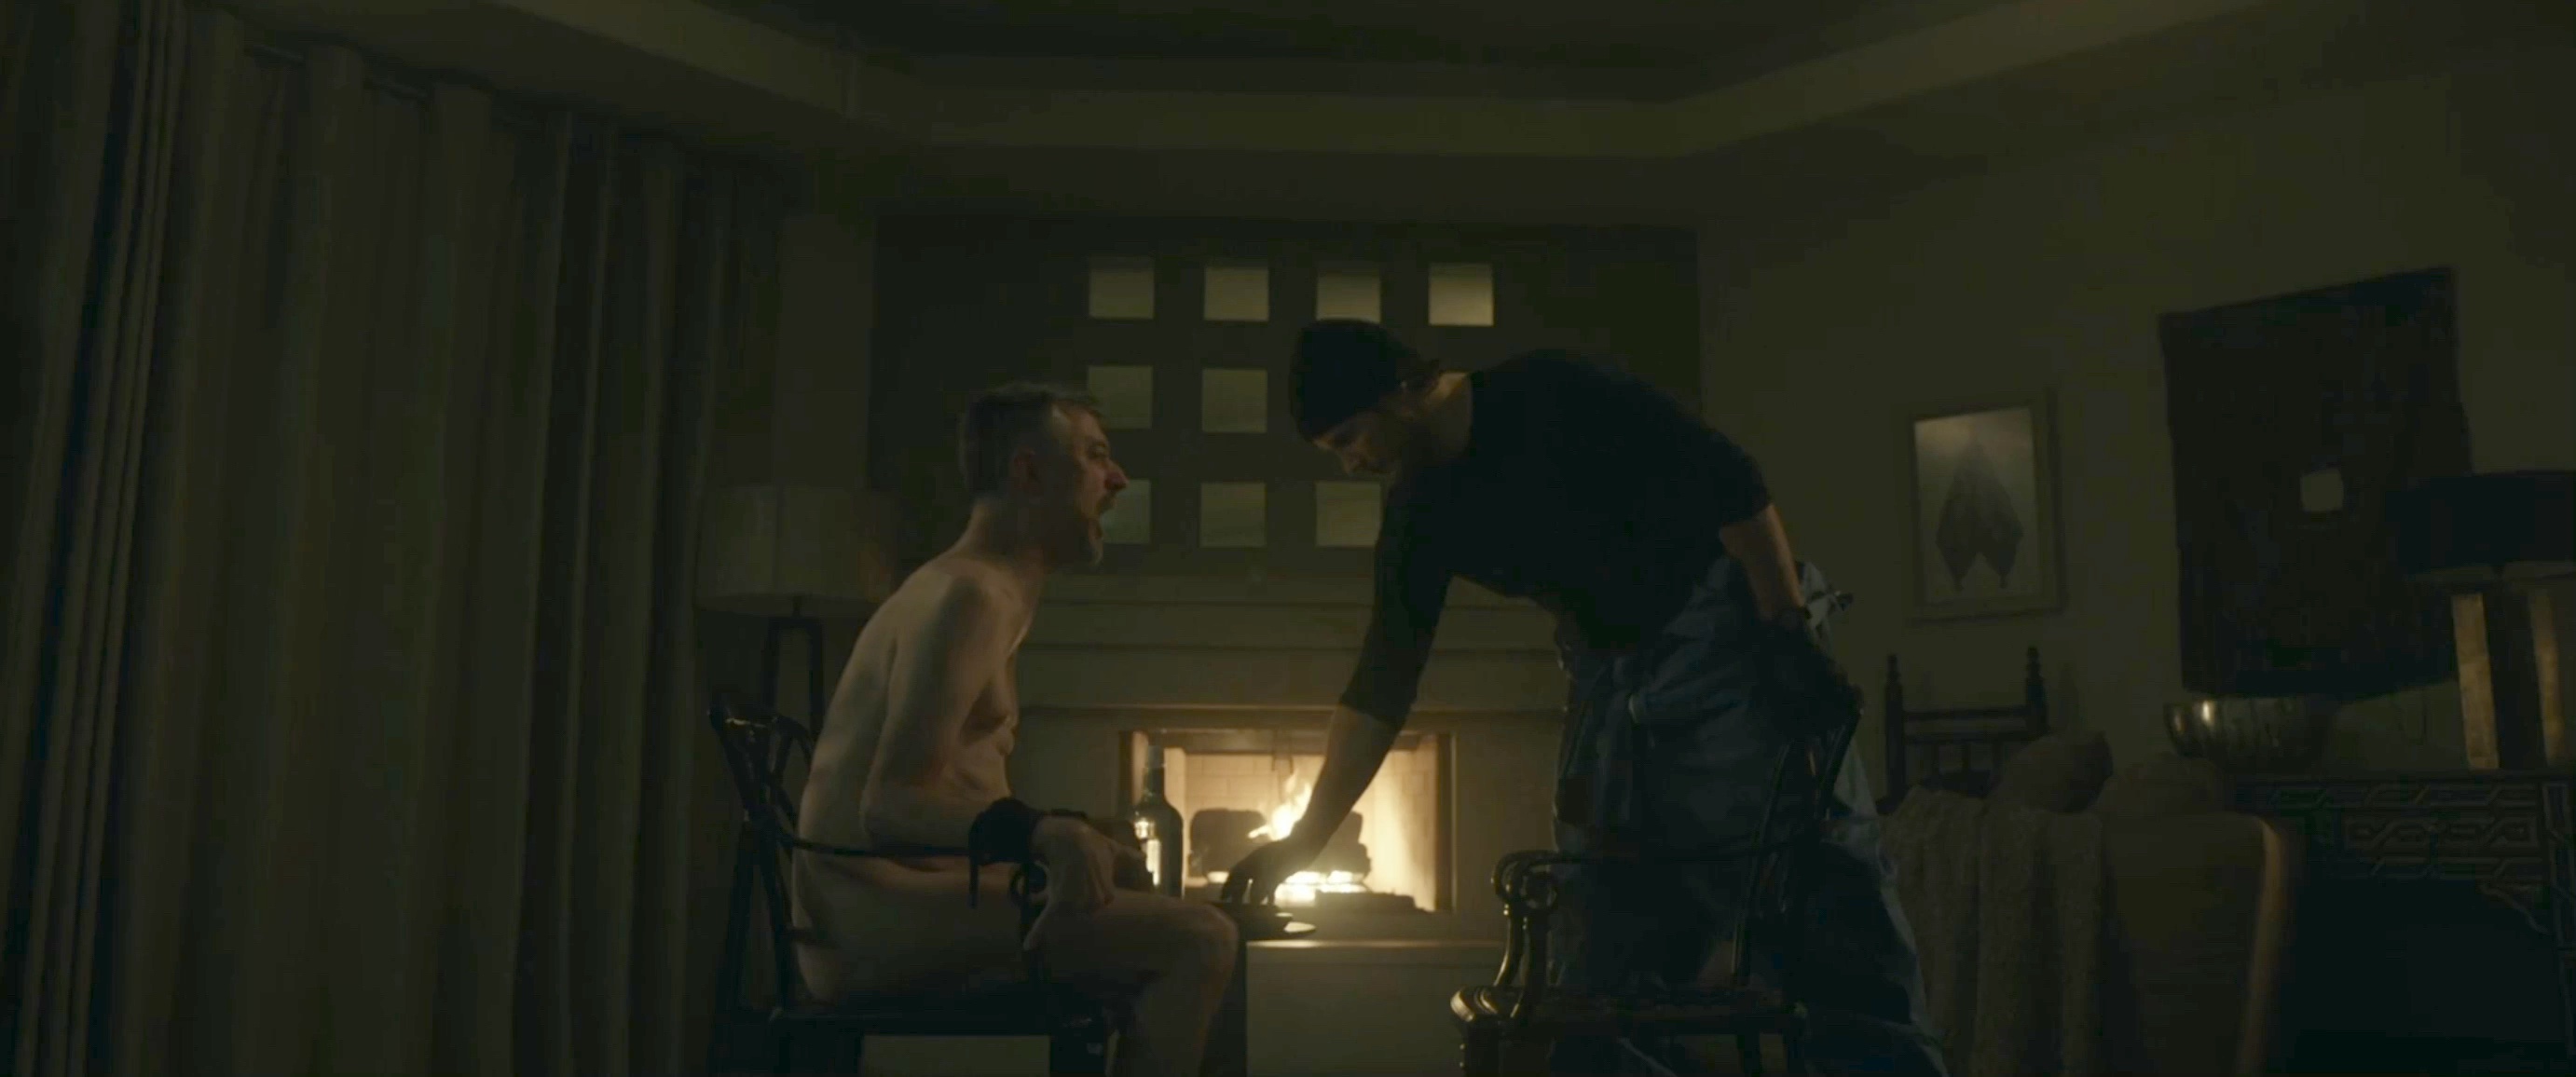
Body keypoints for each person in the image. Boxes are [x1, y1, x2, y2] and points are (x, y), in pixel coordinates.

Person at [1220, 321, 1948, 1076]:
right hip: (1611, 680)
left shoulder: (1554, 390)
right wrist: (1303, 840)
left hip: (1725, 632)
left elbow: (1733, 483)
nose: (1351, 464)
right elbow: (1383, 680)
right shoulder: (1420, 511)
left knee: (1822, 887)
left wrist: (1786, 632)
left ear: (1401, 392)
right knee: (1601, 919)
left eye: (1348, 439)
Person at [794, 382, 1240, 1077]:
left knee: (1165, 918)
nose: (1118, 479)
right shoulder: (969, 595)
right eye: (1095, 455)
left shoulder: (975, 589)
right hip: (868, 920)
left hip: (894, 904)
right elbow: (889, 805)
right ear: (1027, 473)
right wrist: (1043, 833)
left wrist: (1080, 839)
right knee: (1202, 939)